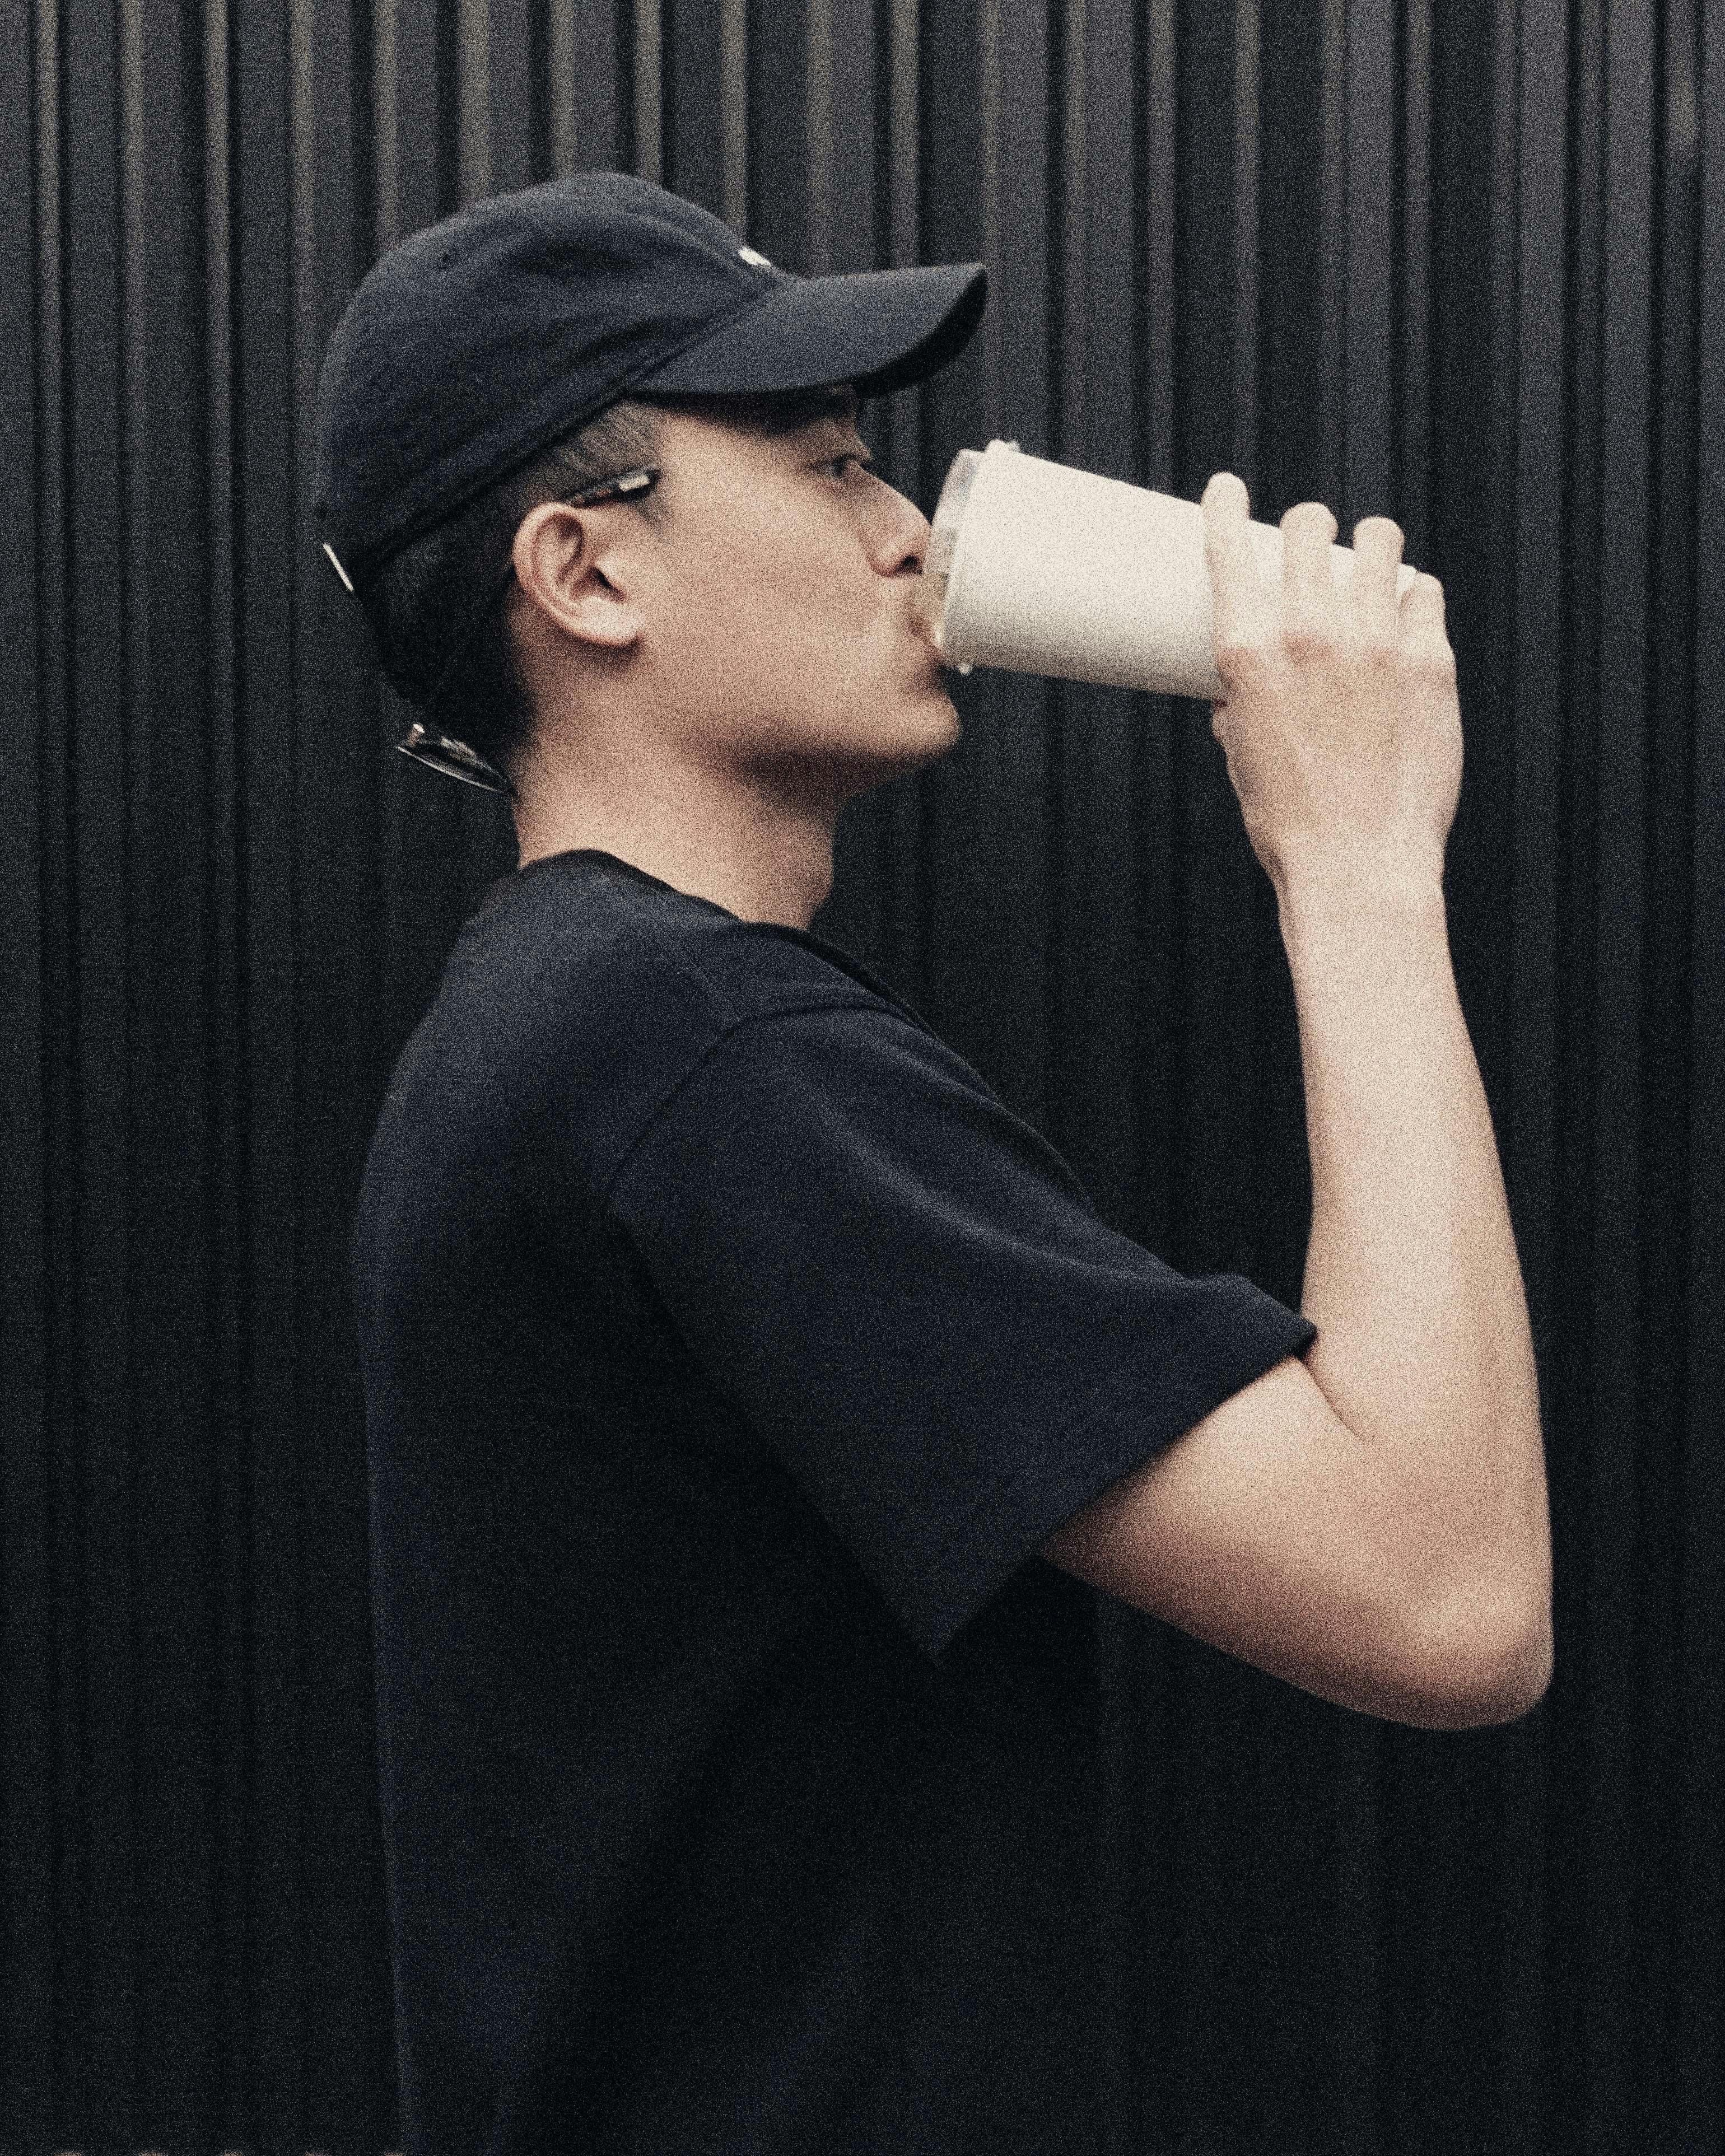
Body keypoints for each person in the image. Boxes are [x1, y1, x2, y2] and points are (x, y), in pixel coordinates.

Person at [318, 171, 1552, 2156]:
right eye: (825, 470)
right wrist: (1359, 861)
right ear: (586, 572)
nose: (914, 535)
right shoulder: (699, 1059)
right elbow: (1448, 1589)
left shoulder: (565, 1025)